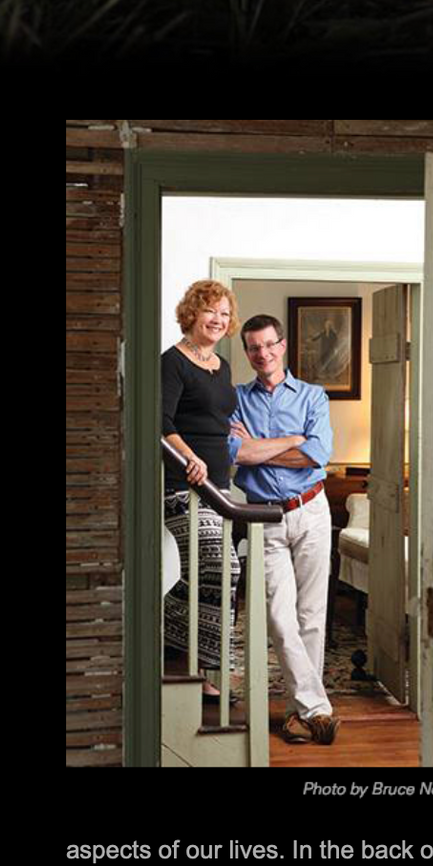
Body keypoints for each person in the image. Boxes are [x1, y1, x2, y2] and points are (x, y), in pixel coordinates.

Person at [229, 314, 338, 746]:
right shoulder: (235, 399)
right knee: (279, 615)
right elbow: (237, 453)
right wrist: (293, 440)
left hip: (311, 511)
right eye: (254, 348)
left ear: (284, 344)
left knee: (311, 615)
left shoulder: (313, 395)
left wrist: (263, 449)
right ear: (247, 352)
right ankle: (319, 708)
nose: (263, 354)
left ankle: (300, 715)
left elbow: (319, 454)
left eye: (269, 345)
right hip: (264, 516)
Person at [160, 281, 241, 708]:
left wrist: (232, 435)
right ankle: (181, 644)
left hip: (219, 487)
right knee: (224, 569)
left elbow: (215, 414)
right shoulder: (172, 362)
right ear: (191, 313)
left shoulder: (222, 366)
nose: (218, 320)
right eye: (211, 311)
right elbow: (161, 420)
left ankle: (204, 667)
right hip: (182, 486)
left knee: (215, 576)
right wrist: (191, 458)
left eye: (225, 314)